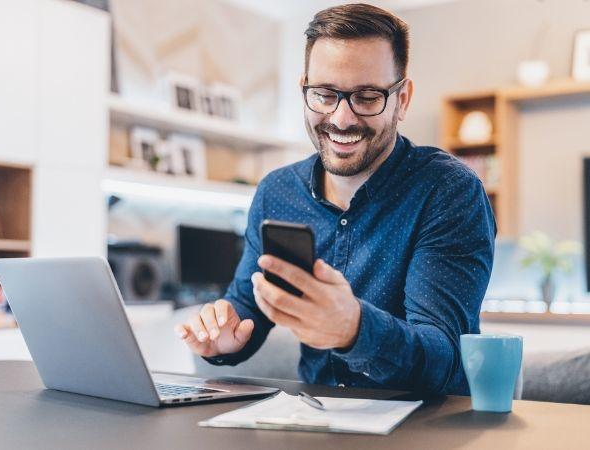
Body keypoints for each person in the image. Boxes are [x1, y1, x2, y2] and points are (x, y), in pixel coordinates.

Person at [175, 3, 496, 395]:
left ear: (403, 99)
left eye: (367, 96)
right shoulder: (277, 193)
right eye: (325, 94)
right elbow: (247, 306)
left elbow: (444, 358)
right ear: (304, 90)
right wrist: (223, 337)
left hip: (424, 429)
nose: (342, 119)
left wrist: (355, 330)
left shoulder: (448, 192)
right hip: (315, 420)